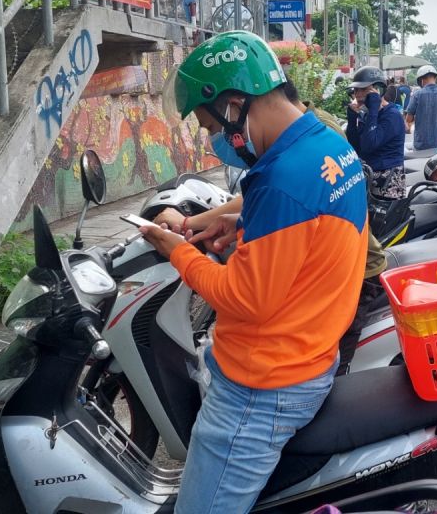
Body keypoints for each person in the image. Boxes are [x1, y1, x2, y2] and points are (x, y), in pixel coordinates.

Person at [139, 31, 369, 512]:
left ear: (236, 105)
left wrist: (177, 249)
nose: (214, 140)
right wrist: (243, 221)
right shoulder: (326, 145)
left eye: (210, 127)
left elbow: (245, 300)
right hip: (308, 354)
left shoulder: (282, 177)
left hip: (260, 389)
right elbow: (311, 227)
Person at [346, 66, 406, 198]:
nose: (358, 95)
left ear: (378, 90)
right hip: (369, 182)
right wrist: (352, 120)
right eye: (355, 90)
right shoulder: (367, 115)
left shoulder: (392, 115)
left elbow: (370, 144)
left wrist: (373, 109)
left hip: (388, 186)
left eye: (363, 89)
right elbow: (356, 149)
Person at [405, 64, 437, 151]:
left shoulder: (417, 95)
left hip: (421, 145)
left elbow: (408, 119)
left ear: (421, 80)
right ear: (435, 78)